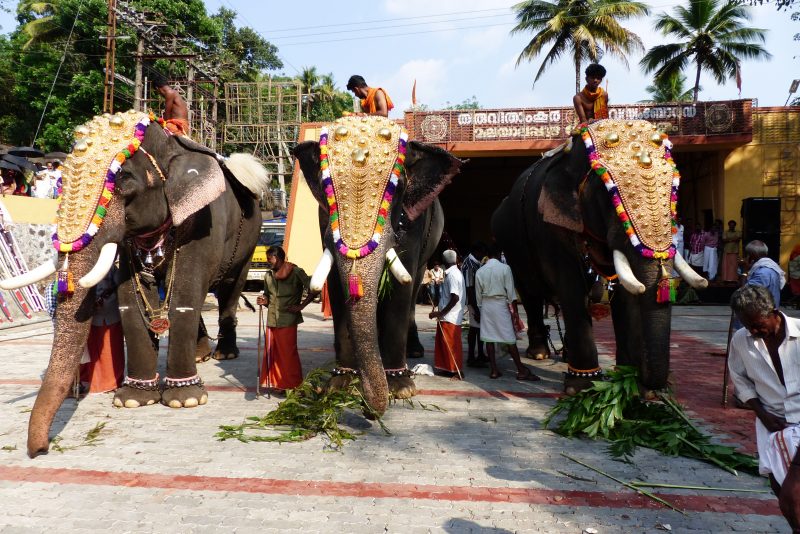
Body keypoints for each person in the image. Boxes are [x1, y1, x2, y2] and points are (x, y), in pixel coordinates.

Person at [728, 285, 800, 532]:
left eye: (758, 325)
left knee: (794, 492)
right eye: (748, 326)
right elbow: (740, 379)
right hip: (773, 423)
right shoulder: (742, 340)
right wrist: (762, 413)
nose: (754, 331)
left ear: (774, 312)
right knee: (782, 492)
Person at [255, 246, 317, 392]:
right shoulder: (268, 275)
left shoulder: (296, 272)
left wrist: (301, 306)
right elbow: (267, 296)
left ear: (278, 258)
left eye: (270, 258)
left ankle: (293, 384)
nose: (267, 261)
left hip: (288, 319)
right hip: (272, 320)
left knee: (288, 353)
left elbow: (314, 289)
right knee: (273, 353)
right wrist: (263, 301)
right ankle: (278, 383)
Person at [475, 244, 539, 381]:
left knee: (489, 338)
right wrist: (515, 313)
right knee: (509, 338)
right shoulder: (505, 268)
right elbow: (511, 293)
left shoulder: (480, 271)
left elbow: (478, 296)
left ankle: (493, 370)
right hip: (500, 305)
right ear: (499, 254)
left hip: (486, 305)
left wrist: (481, 309)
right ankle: (521, 370)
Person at [80, 265, 124, 393]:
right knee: (93, 352)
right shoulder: (86, 264)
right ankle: (96, 382)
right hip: (90, 316)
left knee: (111, 350)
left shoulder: (110, 267)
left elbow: (119, 286)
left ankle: (111, 382)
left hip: (109, 313)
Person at [429, 249, 465, 378]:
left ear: (444, 261)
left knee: (451, 344)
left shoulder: (453, 274)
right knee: (444, 344)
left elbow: (455, 298)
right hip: (447, 315)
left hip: (450, 316)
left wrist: (440, 313)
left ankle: (456, 370)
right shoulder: (452, 273)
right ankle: (447, 368)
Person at [460, 241, 488, 367]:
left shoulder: (474, 263)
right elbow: (470, 287)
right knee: (474, 329)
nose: (483, 255)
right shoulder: (470, 264)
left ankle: (480, 354)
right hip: (473, 301)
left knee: (478, 329)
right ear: (477, 252)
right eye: (482, 253)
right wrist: (476, 309)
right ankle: (472, 356)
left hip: (476, 300)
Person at [743, 240, 786, 308]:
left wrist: (745, 271)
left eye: (748, 254)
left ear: (752, 255)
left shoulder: (762, 272)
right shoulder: (771, 267)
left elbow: (745, 293)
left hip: (763, 312)